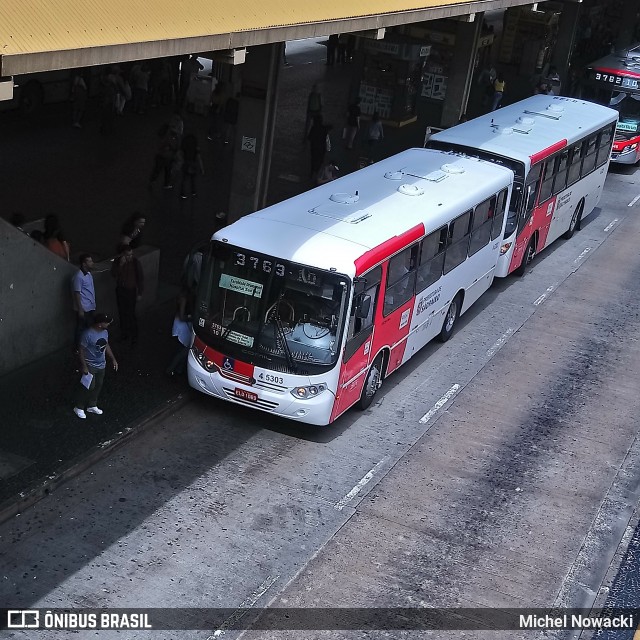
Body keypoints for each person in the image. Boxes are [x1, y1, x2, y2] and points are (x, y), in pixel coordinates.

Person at [74, 313, 118, 419]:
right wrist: (84, 366)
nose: (108, 324)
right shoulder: (87, 334)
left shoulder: (105, 332)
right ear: (99, 324)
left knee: (98, 384)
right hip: (90, 364)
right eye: (106, 322)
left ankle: (92, 405)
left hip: (101, 364)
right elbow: (81, 350)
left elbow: (106, 345)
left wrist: (113, 359)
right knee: (89, 386)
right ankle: (79, 406)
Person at [111, 244, 144, 345]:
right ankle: (124, 333)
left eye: (131, 255)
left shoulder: (135, 262)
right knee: (122, 313)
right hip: (121, 289)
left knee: (131, 313)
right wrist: (120, 265)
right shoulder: (118, 261)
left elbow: (140, 278)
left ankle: (134, 336)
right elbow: (114, 274)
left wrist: (140, 293)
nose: (130, 257)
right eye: (128, 255)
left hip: (131, 291)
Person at [166, 288, 193, 377]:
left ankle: (178, 370)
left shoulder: (183, 298)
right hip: (182, 327)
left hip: (183, 326)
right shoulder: (183, 299)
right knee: (183, 350)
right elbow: (181, 317)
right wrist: (192, 318)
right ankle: (171, 369)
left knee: (182, 349)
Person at [72, 253, 96, 348]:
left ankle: (86, 345)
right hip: (84, 307)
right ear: (84, 263)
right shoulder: (78, 277)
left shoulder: (88, 274)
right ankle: (77, 347)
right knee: (80, 328)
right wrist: (80, 309)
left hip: (90, 306)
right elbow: (77, 293)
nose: (92, 263)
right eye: (89, 261)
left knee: (88, 327)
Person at [179, 133, 205, 199]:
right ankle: (193, 192)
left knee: (184, 179)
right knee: (193, 179)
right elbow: (199, 158)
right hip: (193, 163)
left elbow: (180, 154)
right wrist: (202, 169)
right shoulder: (196, 148)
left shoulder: (184, 147)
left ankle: (182, 193)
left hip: (186, 163)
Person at [308, 115, 331, 181]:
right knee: (320, 160)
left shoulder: (314, 128)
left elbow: (309, 138)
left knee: (313, 160)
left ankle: (312, 173)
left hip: (314, 147)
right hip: (322, 148)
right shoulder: (324, 129)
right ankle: (317, 173)